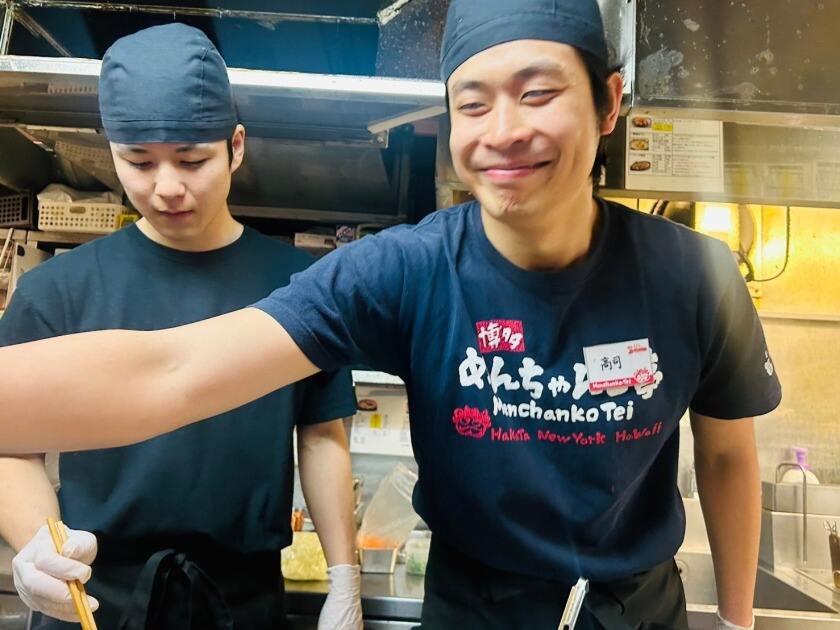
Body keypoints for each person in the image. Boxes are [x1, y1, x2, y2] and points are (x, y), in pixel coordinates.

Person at [0, 3, 780, 629]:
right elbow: (171, 371)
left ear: (609, 101)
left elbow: (726, 460)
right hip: (473, 609)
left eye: (538, 93)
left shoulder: (695, 275)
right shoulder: (403, 270)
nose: (504, 130)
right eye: (473, 103)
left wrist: (739, 622)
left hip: (640, 610)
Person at [0, 23, 362, 630]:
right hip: (94, 597)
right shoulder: (58, 289)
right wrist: (37, 546)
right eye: (139, 162)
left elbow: (322, 436)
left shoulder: (300, 286)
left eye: (192, 160)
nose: (166, 187)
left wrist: (344, 577)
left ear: (236, 146)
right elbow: (11, 444)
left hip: (242, 600)